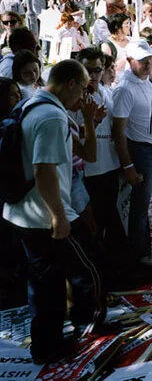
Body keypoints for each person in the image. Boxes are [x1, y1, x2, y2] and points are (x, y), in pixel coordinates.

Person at [3, 60, 105, 364]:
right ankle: (85, 326)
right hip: (44, 215)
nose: (85, 96)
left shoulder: (34, 104)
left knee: (44, 282)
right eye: (83, 87)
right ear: (70, 83)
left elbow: (87, 154)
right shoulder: (50, 117)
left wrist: (88, 120)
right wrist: (59, 217)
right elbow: (44, 170)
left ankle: (47, 346)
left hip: (22, 213)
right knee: (89, 268)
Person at [72, 47, 126, 259]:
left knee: (110, 219)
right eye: (89, 70)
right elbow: (70, 134)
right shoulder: (73, 97)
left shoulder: (107, 91)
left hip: (110, 166)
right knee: (93, 224)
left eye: (98, 70)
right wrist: (92, 122)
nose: (93, 75)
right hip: (87, 171)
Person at [111, 41, 152, 263]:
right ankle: (139, 256)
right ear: (129, 61)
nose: (148, 63)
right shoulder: (124, 89)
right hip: (140, 151)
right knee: (141, 207)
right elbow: (118, 131)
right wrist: (128, 165)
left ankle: (148, 252)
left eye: (149, 59)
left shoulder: (146, 82)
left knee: (150, 205)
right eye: (142, 60)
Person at [101, 13, 131, 78]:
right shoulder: (107, 45)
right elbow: (107, 69)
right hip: (117, 84)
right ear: (117, 27)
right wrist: (126, 59)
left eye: (129, 23)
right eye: (126, 24)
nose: (129, 26)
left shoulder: (131, 40)